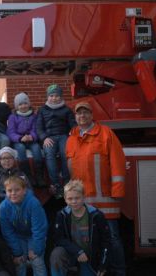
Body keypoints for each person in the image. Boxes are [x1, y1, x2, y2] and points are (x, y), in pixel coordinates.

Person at [66, 101, 126, 276]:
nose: (82, 116)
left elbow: (118, 163)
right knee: (89, 241)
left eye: (85, 113)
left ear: (92, 115)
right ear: (75, 117)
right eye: (78, 114)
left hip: (106, 200)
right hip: (83, 203)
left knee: (112, 239)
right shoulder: (71, 140)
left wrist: (118, 191)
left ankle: (119, 271)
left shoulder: (106, 134)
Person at [50, 180, 110, 276]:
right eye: (70, 198)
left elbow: (106, 242)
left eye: (77, 198)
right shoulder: (62, 215)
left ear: (83, 197)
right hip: (72, 254)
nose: (74, 201)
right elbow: (58, 238)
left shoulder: (96, 215)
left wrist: (103, 265)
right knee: (56, 254)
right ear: (65, 199)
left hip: (90, 258)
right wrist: (77, 251)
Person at [0, 176, 48, 276]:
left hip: (34, 236)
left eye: (17, 190)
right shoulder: (3, 207)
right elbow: (7, 232)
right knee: (19, 262)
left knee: (36, 261)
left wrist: (36, 249)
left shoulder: (33, 203)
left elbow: (39, 228)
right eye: (9, 190)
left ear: (24, 190)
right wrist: (17, 252)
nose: (13, 193)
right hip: (18, 236)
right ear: (6, 192)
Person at [36, 84, 76, 198]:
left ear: (61, 97)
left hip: (64, 135)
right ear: (47, 97)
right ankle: (56, 184)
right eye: (51, 96)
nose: (54, 98)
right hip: (49, 137)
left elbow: (73, 125)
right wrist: (44, 138)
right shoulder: (42, 110)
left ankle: (66, 181)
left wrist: (72, 135)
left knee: (65, 154)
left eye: (57, 96)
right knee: (49, 154)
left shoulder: (67, 110)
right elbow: (38, 127)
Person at [7, 92, 46, 188]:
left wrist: (32, 136)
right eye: (20, 104)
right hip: (19, 141)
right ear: (16, 106)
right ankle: (27, 176)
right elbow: (10, 132)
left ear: (29, 104)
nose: (23, 106)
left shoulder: (33, 116)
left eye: (25, 103)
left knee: (37, 149)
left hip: (31, 140)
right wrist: (20, 138)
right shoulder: (13, 117)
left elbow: (36, 129)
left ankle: (39, 175)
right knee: (20, 149)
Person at [0, 147, 29, 217]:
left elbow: (29, 193)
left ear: (14, 160)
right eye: (4, 158)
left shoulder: (21, 175)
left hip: (20, 209)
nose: (7, 161)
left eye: (10, 158)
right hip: (1, 211)